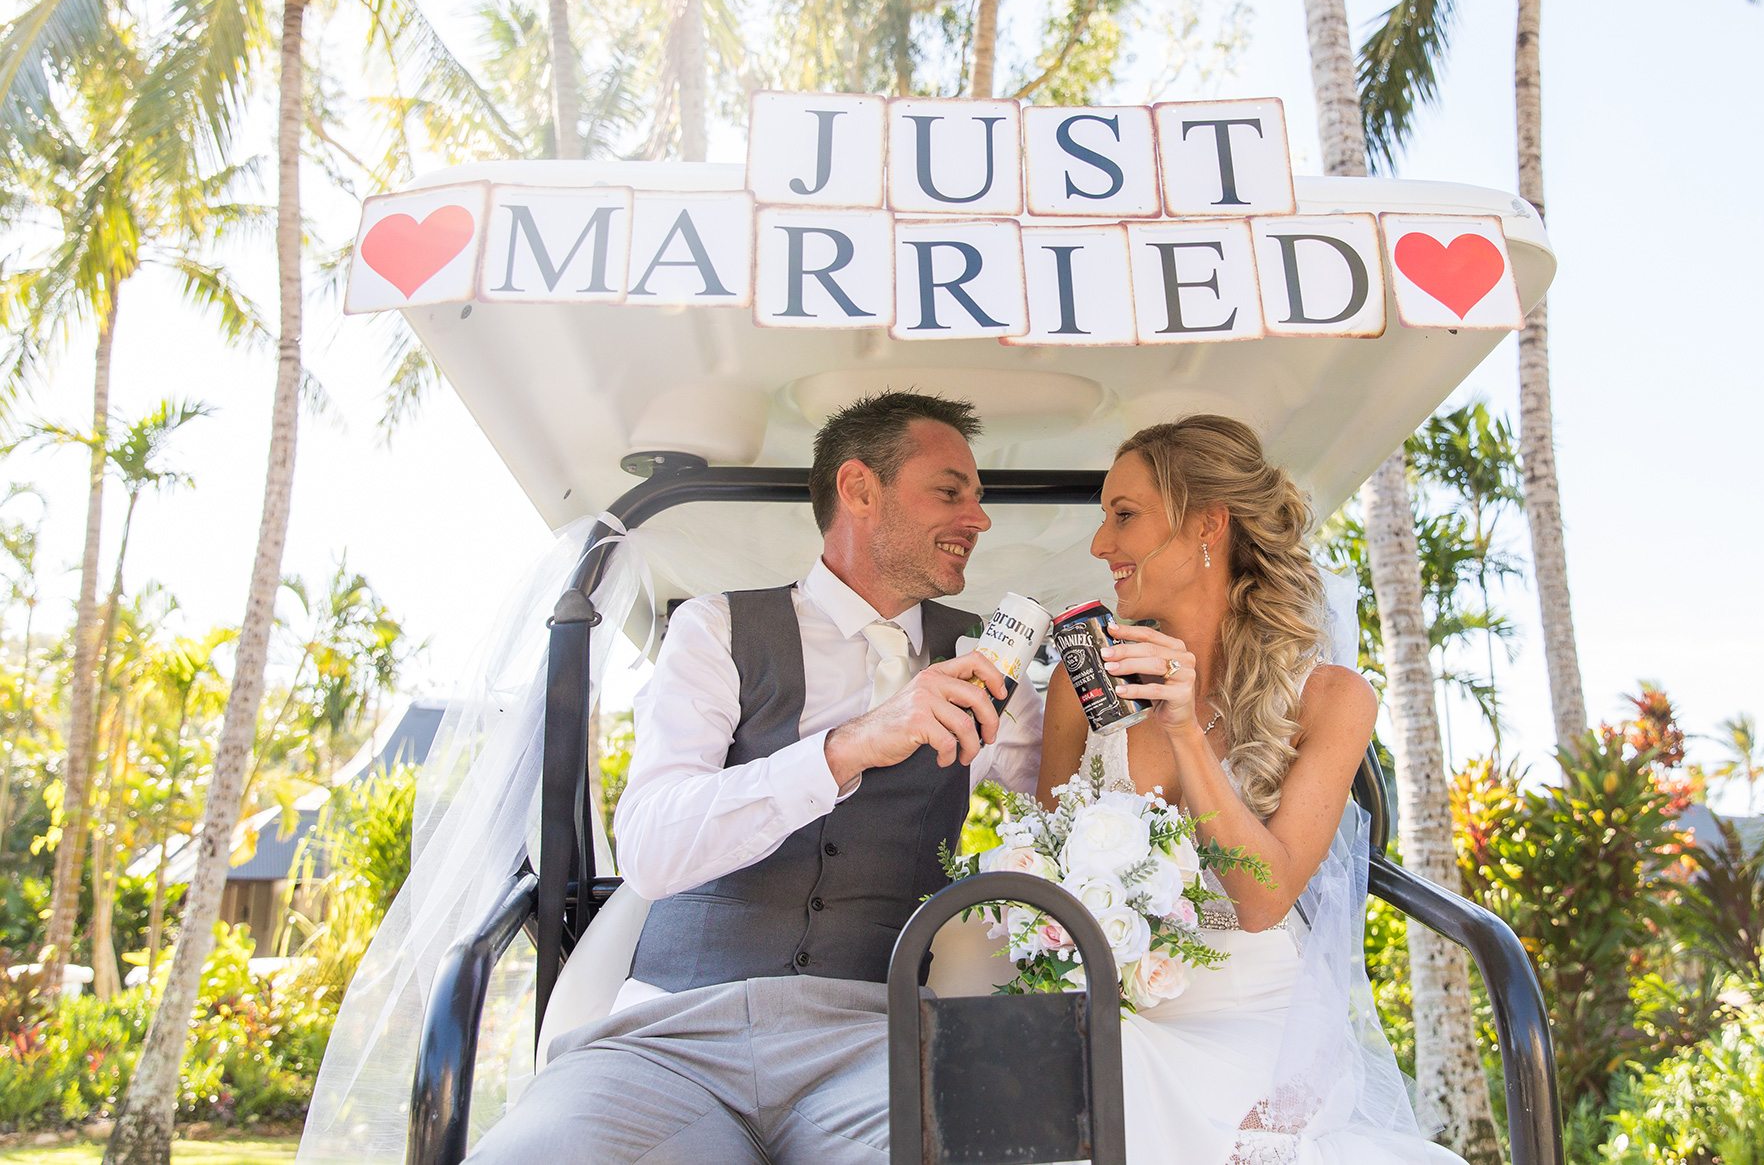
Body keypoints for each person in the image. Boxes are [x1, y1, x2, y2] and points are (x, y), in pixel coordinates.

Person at [466, 390, 1043, 1165]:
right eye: (951, 491)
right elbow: (649, 848)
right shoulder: (716, 628)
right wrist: (849, 746)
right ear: (859, 489)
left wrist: (1102, 708)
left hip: (880, 1042)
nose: (980, 518)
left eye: (978, 497)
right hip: (669, 1041)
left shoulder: (988, 659)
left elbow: (1069, 802)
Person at [1038, 414, 1462, 1165]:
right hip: (1114, 1011)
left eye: (1124, 516)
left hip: (1263, 1022)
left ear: (1208, 523)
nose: (1101, 544)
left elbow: (1264, 897)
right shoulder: (1080, 691)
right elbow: (1049, 887)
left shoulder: (1331, 698)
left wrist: (1184, 729)